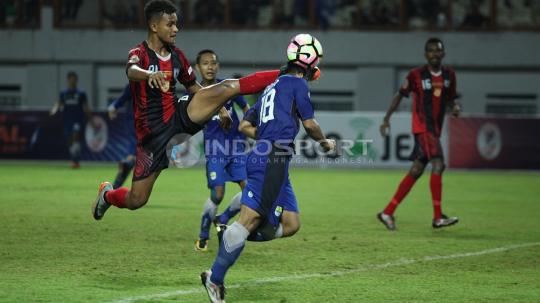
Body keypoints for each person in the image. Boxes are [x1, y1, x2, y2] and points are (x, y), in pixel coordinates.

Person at [91, 0, 280, 220]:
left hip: (177, 116)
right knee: (137, 200)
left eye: (176, 24)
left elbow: (192, 86)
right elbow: (131, 70)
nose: (176, 29)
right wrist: (149, 74)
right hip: (152, 137)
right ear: (154, 26)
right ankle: (107, 196)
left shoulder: (177, 55)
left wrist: (217, 108)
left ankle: (286, 72)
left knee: (228, 87)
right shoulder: (139, 53)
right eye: (170, 24)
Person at [200, 60, 335, 302]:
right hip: (271, 159)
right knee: (250, 220)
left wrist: (265, 137)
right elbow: (310, 124)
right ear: (308, 65)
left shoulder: (271, 88)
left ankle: (231, 232)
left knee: (291, 224)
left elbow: (244, 125)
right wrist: (325, 143)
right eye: (316, 66)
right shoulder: (298, 84)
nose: (317, 73)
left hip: (273, 159)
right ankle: (215, 277)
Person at [377, 37, 461, 230]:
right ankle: (438, 217)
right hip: (423, 127)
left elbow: (451, 98)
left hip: (436, 129)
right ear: (426, 54)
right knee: (439, 164)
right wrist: (386, 118)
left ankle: (387, 212)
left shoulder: (449, 75)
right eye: (431, 50)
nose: (435, 54)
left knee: (417, 170)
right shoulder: (416, 75)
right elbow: (400, 95)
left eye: (438, 50)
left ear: (443, 54)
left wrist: (455, 106)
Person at [194, 49, 250, 252]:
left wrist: (248, 123)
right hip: (215, 150)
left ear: (218, 66)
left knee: (250, 191)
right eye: (205, 63)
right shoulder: (195, 92)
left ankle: (223, 217)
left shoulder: (228, 86)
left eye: (213, 63)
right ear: (197, 68)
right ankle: (203, 233)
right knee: (217, 193)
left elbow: (245, 108)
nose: (210, 66)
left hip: (236, 148)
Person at [50, 71, 94, 169]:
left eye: (74, 79)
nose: (73, 81)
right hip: (67, 120)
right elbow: (58, 103)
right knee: (69, 140)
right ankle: (75, 158)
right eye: (71, 79)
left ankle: (75, 161)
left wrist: (91, 120)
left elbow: (86, 107)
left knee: (75, 136)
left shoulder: (81, 93)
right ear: (68, 80)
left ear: (76, 80)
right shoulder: (63, 93)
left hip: (77, 119)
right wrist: (54, 110)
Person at [107, 84, 136, 189]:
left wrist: (112, 108)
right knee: (141, 156)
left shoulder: (133, 84)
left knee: (134, 153)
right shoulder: (152, 82)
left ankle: (115, 187)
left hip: (132, 123)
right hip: (145, 123)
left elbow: (122, 99)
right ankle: (128, 163)